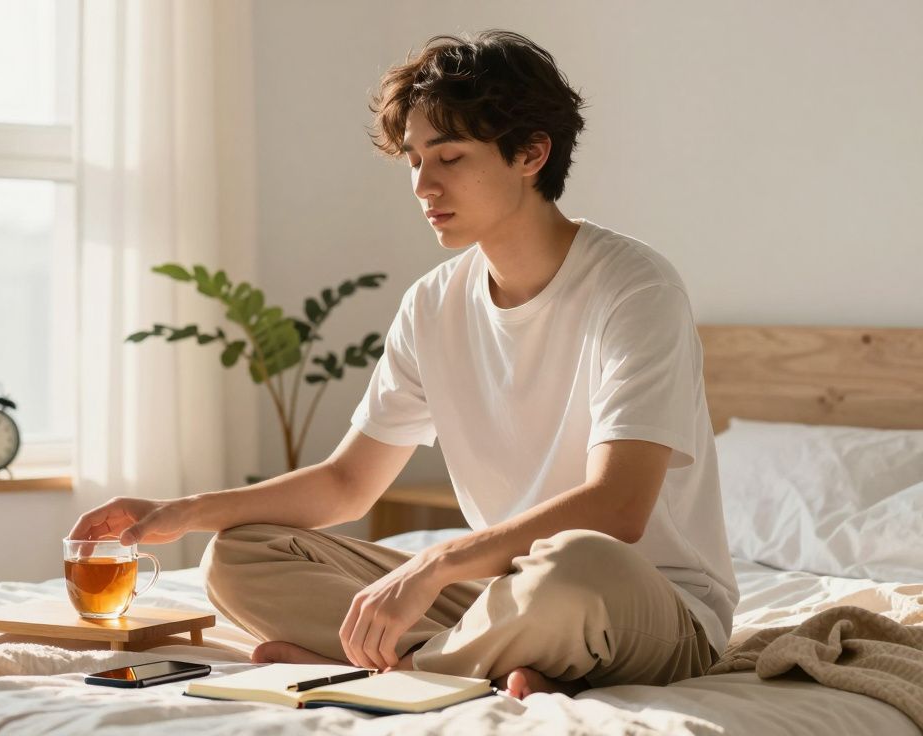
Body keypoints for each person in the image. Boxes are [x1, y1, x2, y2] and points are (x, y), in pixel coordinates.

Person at [68, 29, 737, 700]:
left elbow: (617, 509)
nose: (423, 184)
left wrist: (436, 563)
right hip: (501, 594)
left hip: (645, 603)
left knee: (578, 562)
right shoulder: (433, 303)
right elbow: (348, 484)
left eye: (448, 156)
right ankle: (485, 662)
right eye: (414, 159)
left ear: (532, 153)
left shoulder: (636, 287)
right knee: (240, 556)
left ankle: (409, 668)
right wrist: (181, 511)